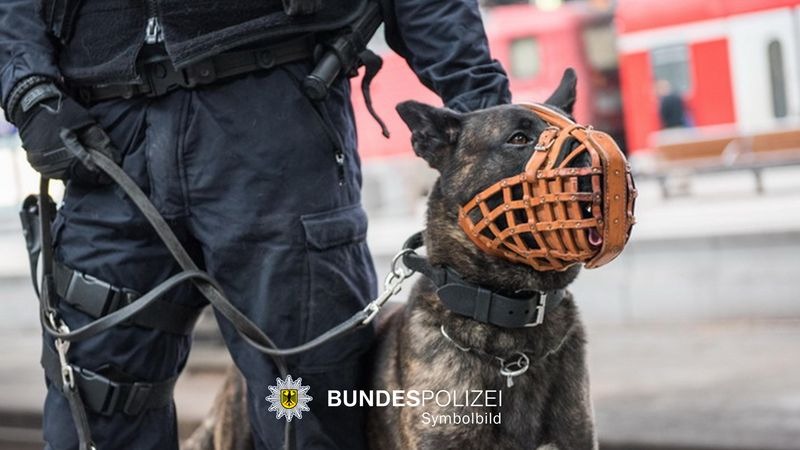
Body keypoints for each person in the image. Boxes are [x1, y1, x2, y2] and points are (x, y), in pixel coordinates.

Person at [0, 0, 510, 449]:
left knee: (305, 408)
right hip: (104, 143)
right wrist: (29, 90)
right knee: (93, 410)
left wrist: (485, 111)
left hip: (274, 124)